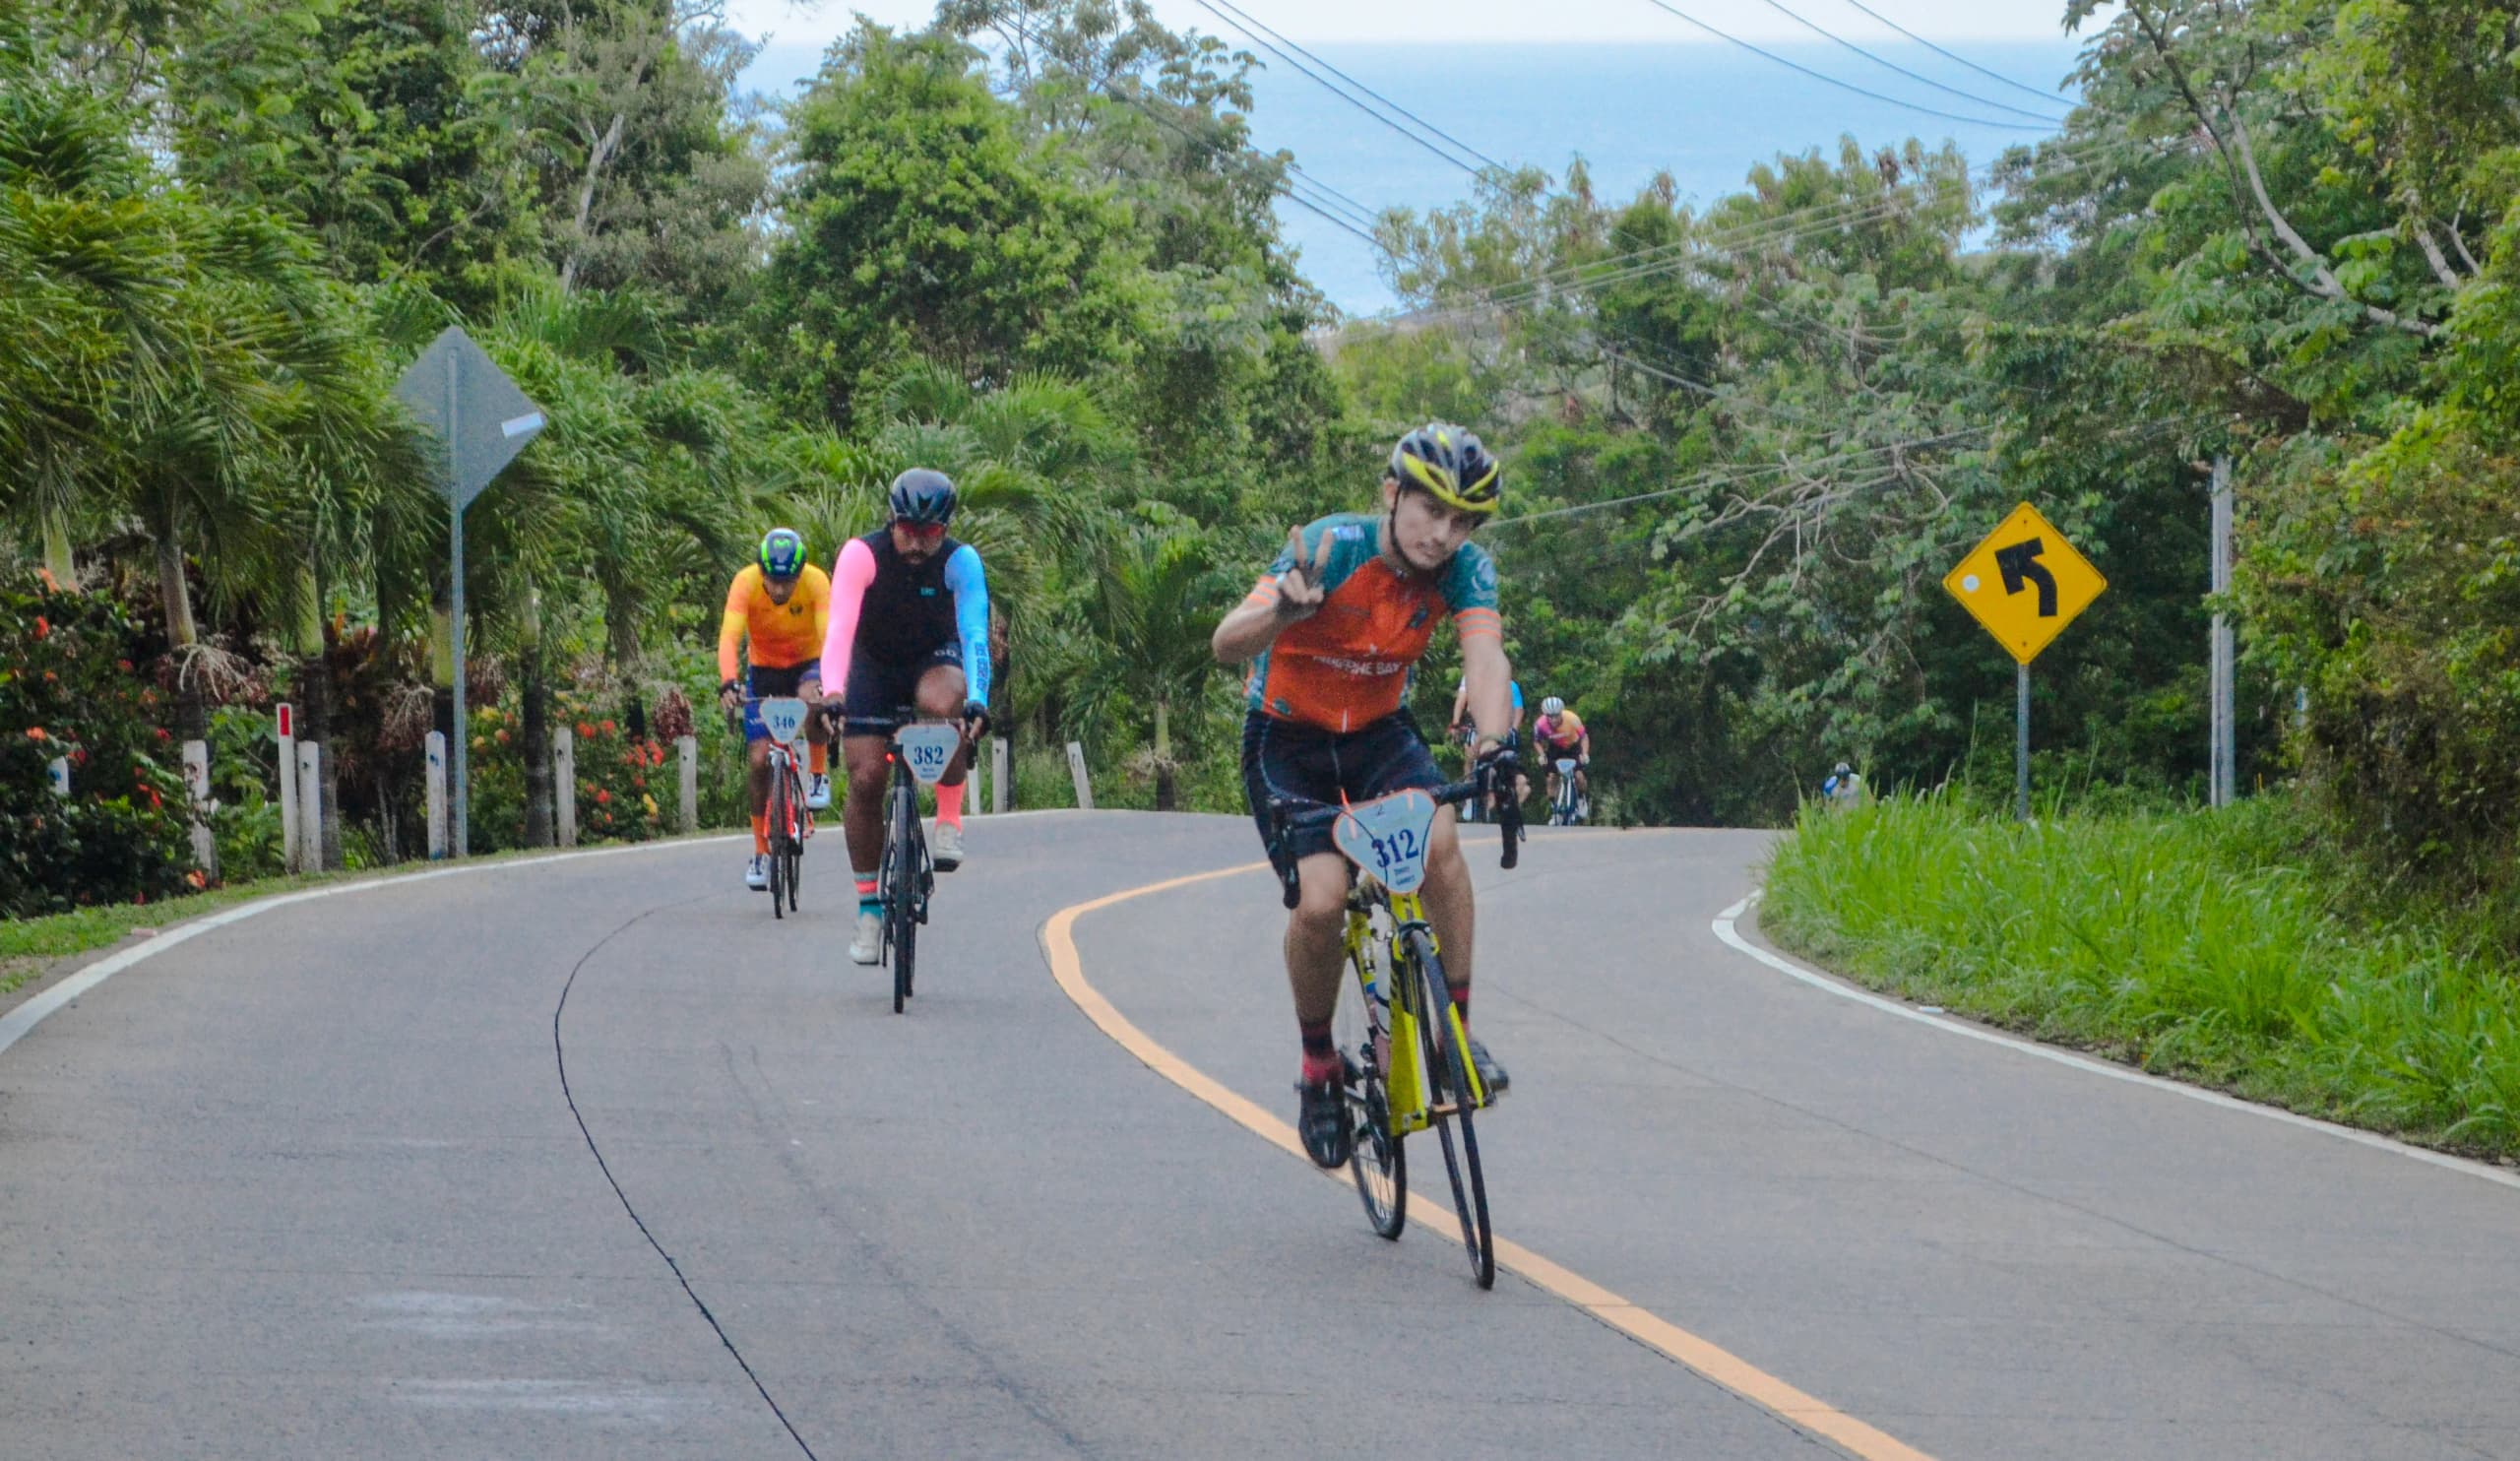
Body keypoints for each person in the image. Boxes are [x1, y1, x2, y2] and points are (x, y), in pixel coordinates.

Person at [1211, 421, 1519, 1171]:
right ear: (1391, 494)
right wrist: (1283, 611)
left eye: (1461, 521)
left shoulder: (1464, 572)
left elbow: (1485, 658)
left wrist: (1493, 745)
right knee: (1321, 901)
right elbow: (1226, 642)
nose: (1442, 535)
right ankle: (1320, 1068)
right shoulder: (1331, 546)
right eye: (1429, 511)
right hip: (1287, 741)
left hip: (1379, 733)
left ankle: (1454, 1035)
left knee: (1440, 843)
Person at [820, 469, 992, 965]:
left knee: (944, 705)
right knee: (867, 778)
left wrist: (978, 699)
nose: (917, 544)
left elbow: (975, 635)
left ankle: (948, 820)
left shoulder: (961, 561)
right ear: (890, 520)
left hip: (933, 660)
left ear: (946, 529)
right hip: (872, 664)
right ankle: (870, 910)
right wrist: (833, 693)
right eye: (907, 531)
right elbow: (838, 630)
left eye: (930, 534)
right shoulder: (862, 555)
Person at [718, 528, 833, 892]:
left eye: (787, 581)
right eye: (772, 580)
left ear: (800, 574)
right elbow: (730, 636)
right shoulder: (745, 583)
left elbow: (829, 635)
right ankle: (760, 850)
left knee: (814, 694)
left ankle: (817, 773)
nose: (780, 589)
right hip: (764, 670)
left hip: (807, 663)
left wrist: (831, 684)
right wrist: (728, 681)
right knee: (757, 761)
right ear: (760, 571)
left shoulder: (816, 582)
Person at [1448, 673, 1526, 819]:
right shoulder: (1470, 677)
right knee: (1469, 756)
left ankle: (1496, 790)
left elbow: (1517, 710)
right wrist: (1456, 723)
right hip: (1477, 723)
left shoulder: (1509, 684)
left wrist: (1514, 729)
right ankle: (1468, 795)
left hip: (1498, 726)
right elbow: (1461, 701)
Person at [1532, 695, 1591, 822]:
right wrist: (1541, 755)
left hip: (1573, 747)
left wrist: (1585, 754)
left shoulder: (1573, 719)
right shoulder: (1540, 724)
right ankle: (1555, 811)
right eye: (1550, 716)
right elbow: (1536, 741)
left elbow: (1584, 737)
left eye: (1556, 715)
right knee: (1551, 778)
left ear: (1561, 713)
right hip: (1555, 749)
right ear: (1545, 715)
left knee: (1579, 776)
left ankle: (1581, 798)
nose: (1553, 719)